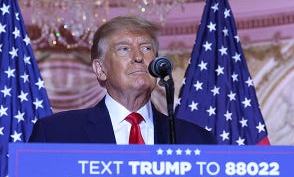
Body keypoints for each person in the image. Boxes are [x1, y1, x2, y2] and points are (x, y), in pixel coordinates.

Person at [28, 16, 217, 145]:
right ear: (100, 70)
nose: (138, 57)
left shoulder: (197, 140)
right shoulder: (56, 134)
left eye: (146, 48)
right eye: (124, 49)